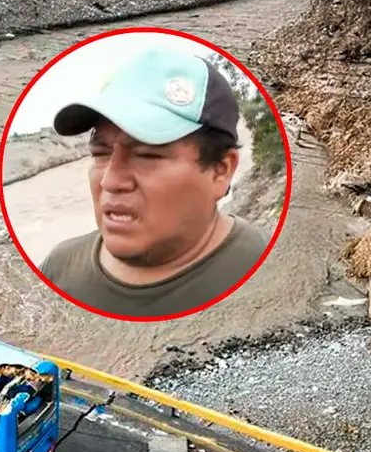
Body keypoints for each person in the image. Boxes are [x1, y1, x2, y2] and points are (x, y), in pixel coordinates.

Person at [40, 46, 270, 318]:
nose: (110, 181)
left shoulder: (269, 272)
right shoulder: (58, 270)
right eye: (100, 154)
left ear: (220, 171)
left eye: (147, 155)